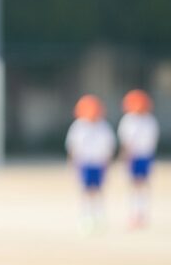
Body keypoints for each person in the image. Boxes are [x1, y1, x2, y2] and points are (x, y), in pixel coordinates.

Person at [65, 94, 116, 234]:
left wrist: (108, 164)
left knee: (99, 190)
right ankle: (86, 217)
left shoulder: (103, 127)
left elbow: (109, 147)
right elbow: (72, 147)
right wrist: (72, 164)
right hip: (84, 163)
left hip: (99, 163)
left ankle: (99, 216)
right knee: (85, 191)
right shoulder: (78, 126)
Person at [118, 89, 159, 228]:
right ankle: (134, 213)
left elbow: (152, 141)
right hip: (133, 156)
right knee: (134, 185)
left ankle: (142, 213)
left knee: (143, 184)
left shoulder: (150, 120)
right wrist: (125, 156)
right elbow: (125, 141)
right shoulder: (128, 120)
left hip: (145, 156)